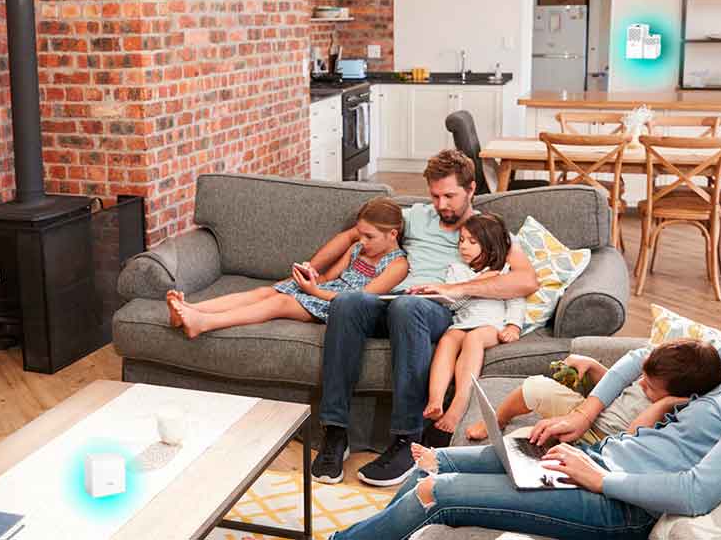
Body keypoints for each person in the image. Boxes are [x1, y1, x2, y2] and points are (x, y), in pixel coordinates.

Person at [330, 257, 721, 539]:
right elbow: (638, 358)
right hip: (597, 460)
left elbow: (698, 491)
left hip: (620, 506)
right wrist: (583, 415)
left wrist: (598, 478)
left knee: (436, 492)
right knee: (429, 464)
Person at [308, 149, 540, 486]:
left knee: (409, 307)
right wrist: (312, 271)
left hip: (433, 309)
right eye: (435, 196)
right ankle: (335, 432)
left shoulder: (485, 229)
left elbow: (526, 280)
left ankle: (407, 440)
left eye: (450, 196)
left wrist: (455, 289)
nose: (441, 204)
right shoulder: (416, 217)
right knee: (347, 303)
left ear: (471, 189)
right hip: (391, 300)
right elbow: (353, 235)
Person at [167, 197, 408, 338]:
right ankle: (190, 308)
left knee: (279, 303)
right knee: (266, 291)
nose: (361, 240)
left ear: (392, 234)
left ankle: (204, 323)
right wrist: (309, 278)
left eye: (369, 236)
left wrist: (314, 291)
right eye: (359, 234)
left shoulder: (397, 265)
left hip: (342, 306)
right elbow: (329, 277)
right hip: (324, 291)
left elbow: (361, 298)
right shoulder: (357, 248)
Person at [464, 338, 721, 444]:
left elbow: (632, 439)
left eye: (650, 387)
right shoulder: (654, 378)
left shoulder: (669, 410)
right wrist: (593, 366)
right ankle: (499, 419)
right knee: (535, 386)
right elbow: (614, 388)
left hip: (600, 441)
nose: (641, 384)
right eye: (643, 377)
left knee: (524, 441)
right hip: (585, 413)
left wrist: (662, 405)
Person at [422, 213, 527, 441]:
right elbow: (453, 304)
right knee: (448, 339)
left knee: (474, 339)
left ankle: (460, 401)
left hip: (491, 325)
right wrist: (474, 284)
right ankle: (436, 400)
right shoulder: (456, 269)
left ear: (490, 245)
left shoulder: (505, 271)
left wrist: (513, 327)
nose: (463, 246)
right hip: (462, 323)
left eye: (472, 242)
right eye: (461, 240)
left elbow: (516, 300)